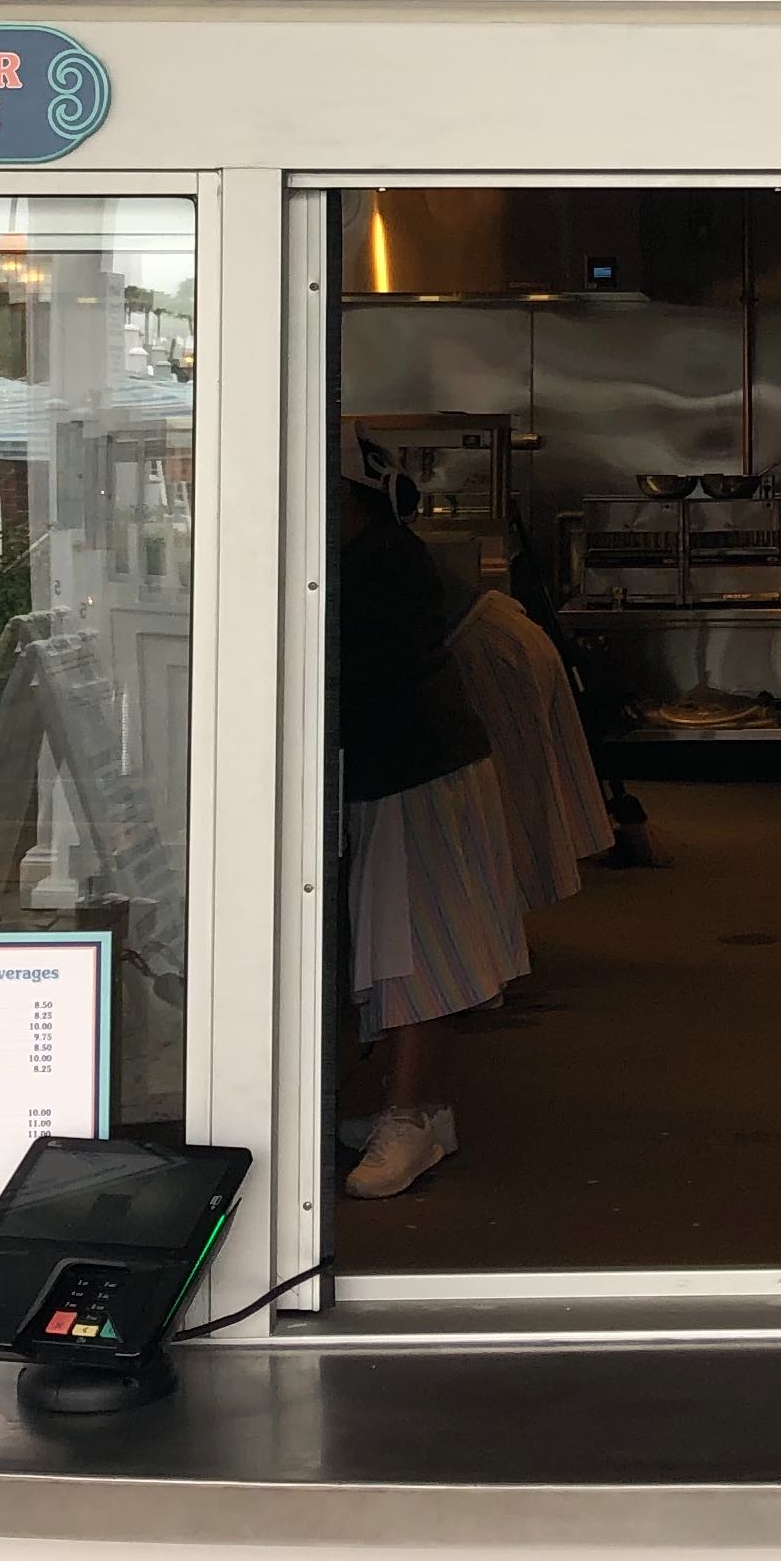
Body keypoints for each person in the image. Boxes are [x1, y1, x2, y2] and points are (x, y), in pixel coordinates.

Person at [334, 470, 518, 1198]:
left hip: (418, 772)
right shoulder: (376, 552)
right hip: (417, 768)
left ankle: (409, 1118)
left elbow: (371, 678)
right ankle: (425, 1108)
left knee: (417, 949)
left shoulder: (384, 560)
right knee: (410, 944)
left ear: (350, 498)